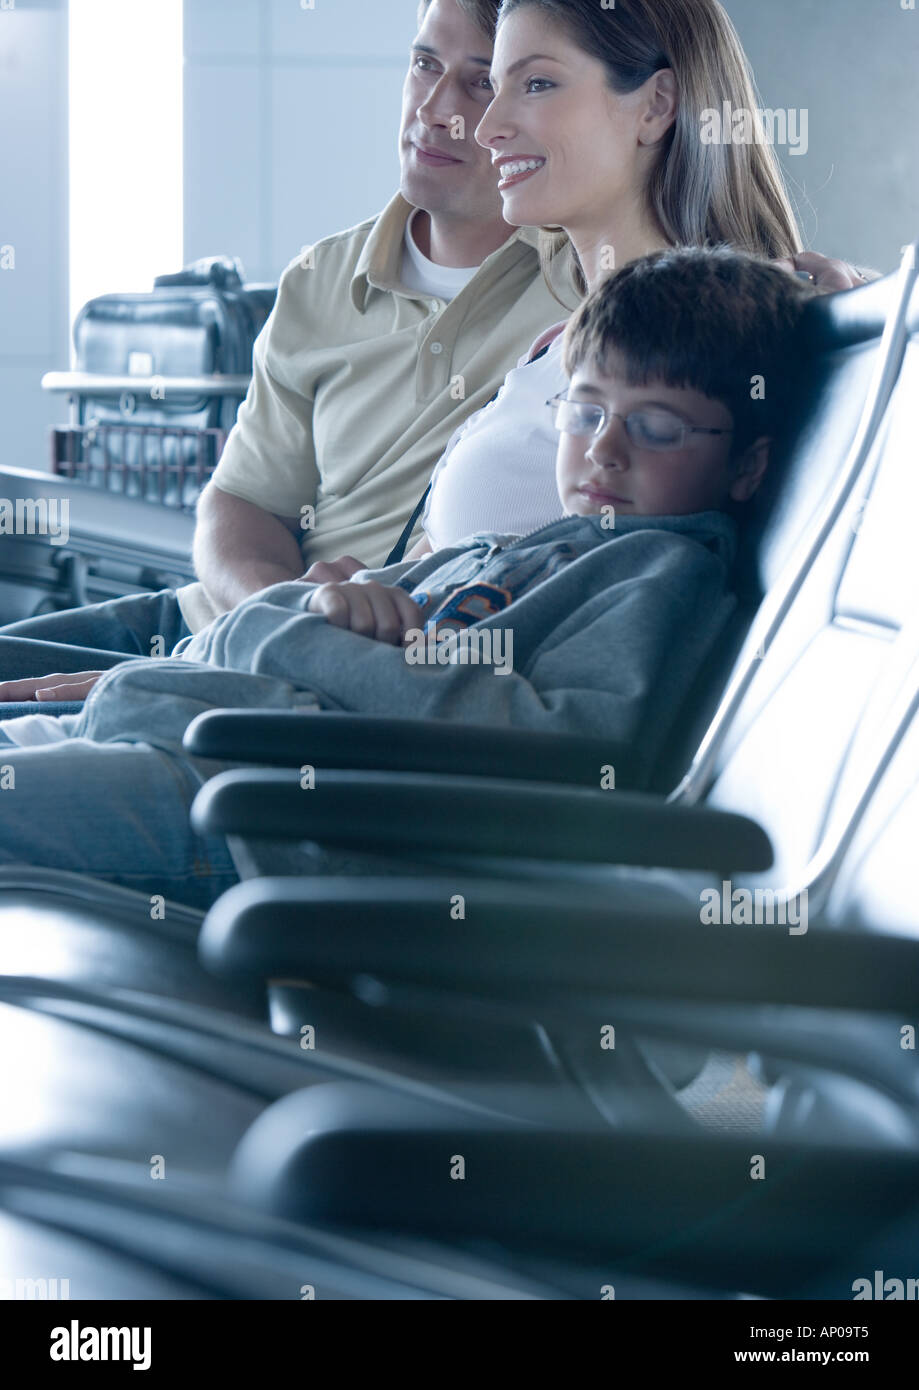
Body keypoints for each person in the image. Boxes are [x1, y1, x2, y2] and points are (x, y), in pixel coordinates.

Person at [0, 0, 875, 707]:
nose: (480, 123)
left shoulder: (716, 344)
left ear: (655, 105)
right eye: (455, 75)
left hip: (319, 712)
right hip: (283, 653)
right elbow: (440, 584)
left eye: (525, 84)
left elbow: (531, 666)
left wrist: (849, 313)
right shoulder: (558, 338)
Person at [0, 247, 815, 908]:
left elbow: (564, 749)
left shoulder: (660, 576)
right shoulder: (521, 548)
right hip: (203, 742)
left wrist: (311, 639)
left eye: (656, 427)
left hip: (274, 816)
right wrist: (333, 607)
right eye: (584, 410)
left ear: (747, 466)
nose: (605, 447)